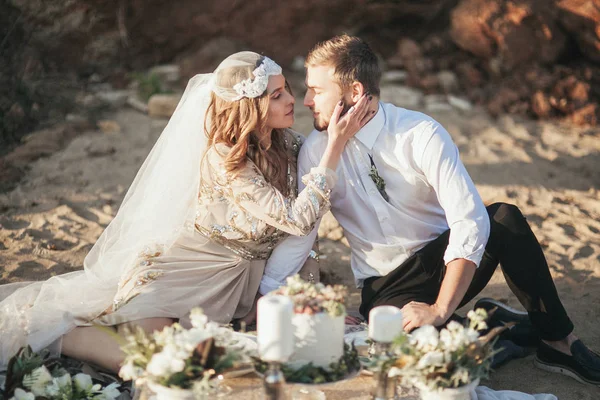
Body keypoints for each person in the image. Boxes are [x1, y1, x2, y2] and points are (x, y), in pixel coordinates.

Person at [0, 51, 373, 373]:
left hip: (243, 278)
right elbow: (297, 216)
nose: (291, 99)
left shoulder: (290, 143)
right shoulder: (225, 158)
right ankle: (67, 336)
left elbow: (306, 232)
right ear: (250, 107)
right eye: (276, 96)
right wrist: (334, 149)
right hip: (191, 269)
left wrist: (305, 293)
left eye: (287, 89)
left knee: (230, 355)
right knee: (158, 359)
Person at [262, 35, 600, 386]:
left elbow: (468, 219)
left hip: (443, 260)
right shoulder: (317, 154)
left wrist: (439, 308)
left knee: (504, 219)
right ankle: (488, 323)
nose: (305, 100)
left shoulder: (419, 133)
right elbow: (302, 236)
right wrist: (269, 294)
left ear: (355, 92)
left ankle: (558, 340)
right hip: (387, 285)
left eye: (316, 90)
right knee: (423, 365)